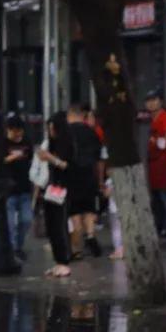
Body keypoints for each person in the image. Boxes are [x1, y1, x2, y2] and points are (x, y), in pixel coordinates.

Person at [37, 112, 73, 278]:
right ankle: (58, 261)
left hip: (64, 187)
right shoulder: (51, 144)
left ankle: (64, 260)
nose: (51, 132)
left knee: (60, 224)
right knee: (51, 225)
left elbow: (66, 165)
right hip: (52, 188)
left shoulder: (67, 144)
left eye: (53, 129)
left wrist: (50, 158)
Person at [66, 104, 104, 258]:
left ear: (71, 115)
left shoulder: (66, 133)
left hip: (72, 177)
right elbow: (100, 159)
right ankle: (90, 234)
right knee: (88, 210)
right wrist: (100, 180)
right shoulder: (91, 133)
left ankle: (77, 249)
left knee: (74, 214)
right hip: (89, 176)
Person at [145, 90, 166, 237]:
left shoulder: (165, 116)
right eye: (149, 100)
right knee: (155, 196)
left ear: (161, 101)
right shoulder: (146, 118)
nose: (151, 103)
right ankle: (158, 226)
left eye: (154, 99)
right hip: (151, 162)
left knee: (165, 196)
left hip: (163, 160)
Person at [3, 114, 33, 261]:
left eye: (20, 131)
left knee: (26, 220)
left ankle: (18, 246)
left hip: (24, 187)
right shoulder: (2, 143)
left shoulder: (27, 142)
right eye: (15, 131)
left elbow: (31, 160)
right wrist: (13, 157)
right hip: (9, 189)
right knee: (9, 223)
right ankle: (12, 248)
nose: (18, 134)